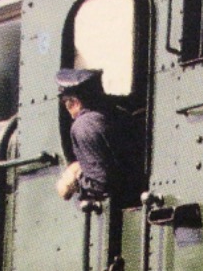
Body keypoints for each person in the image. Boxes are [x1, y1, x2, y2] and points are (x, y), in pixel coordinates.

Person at [54, 68, 140, 206]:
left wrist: (72, 181)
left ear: (74, 102)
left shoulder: (83, 125)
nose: (66, 107)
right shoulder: (119, 115)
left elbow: (100, 184)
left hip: (118, 209)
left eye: (65, 102)